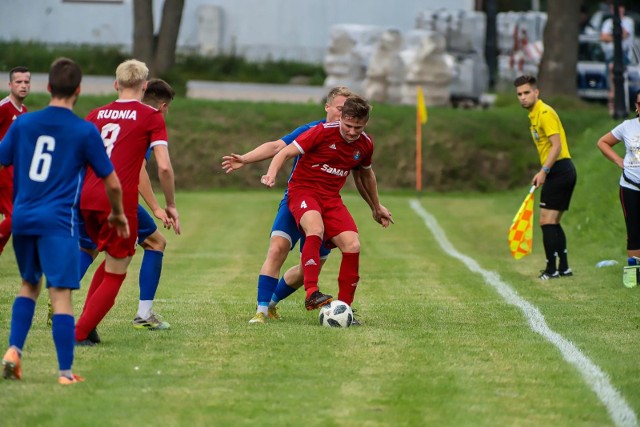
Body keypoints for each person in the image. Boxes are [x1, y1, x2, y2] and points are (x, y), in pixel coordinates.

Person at [0, 57, 128, 384]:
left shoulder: (24, 124)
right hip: (58, 223)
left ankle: (14, 350)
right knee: (60, 294)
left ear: (47, 87)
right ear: (79, 90)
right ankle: (65, 373)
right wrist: (117, 213)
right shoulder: (83, 130)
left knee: (28, 285)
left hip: (23, 218)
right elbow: (112, 181)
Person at [222, 87, 391, 324]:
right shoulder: (315, 131)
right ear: (331, 109)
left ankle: (340, 310)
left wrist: (376, 206)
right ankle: (265, 309)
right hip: (300, 195)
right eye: (342, 110)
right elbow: (277, 148)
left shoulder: (362, 144)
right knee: (280, 247)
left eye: (357, 125)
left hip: (330, 200)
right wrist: (254, 164)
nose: (351, 130)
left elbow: (363, 176)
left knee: (338, 251)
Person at [74, 59, 179, 345]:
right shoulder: (150, 117)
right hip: (116, 200)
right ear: (144, 86)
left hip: (85, 197)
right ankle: (79, 332)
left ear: (115, 84)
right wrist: (168, 205)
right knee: (117, 270)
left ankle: (86, 323)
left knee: (104, 256)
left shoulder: (95, 114)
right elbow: (164, 167)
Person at [514, 75, 577, 280]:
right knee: (553, 221)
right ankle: (564, 267)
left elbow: (556, 146)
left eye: (526, 93)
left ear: (536, 92)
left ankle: (551, 270)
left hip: (559, 170)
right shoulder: (533, 115)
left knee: (546, 221)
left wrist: (544, 171)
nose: (523, 97)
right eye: (519, 94)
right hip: (561, 170)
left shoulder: (544, 112)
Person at [596, 90, 640, 263]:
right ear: (636, 107)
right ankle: (634, 271)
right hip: (630, 185)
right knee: (634, 230)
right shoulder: (627, 126)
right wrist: (617, 160)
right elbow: (603, 142)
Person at [0, 66, 30, 256]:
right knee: (14, 216)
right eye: (18, 82)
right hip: (4, 172)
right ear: (10, 84)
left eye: (26, 82)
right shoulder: (4, 108)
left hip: (14, 173)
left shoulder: (24, 111)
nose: (23, 86)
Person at [599, 0, 635, 113]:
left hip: (623, 55)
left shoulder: (628, 21)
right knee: (610, 72)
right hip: (610, 55)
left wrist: (612, 35)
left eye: (621, 7)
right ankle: (612, 100)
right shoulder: (607, 22)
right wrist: (615, 35)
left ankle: (614, 99)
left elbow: (623, 35)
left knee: (612, 68)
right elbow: (603, 37)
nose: (619, 10)